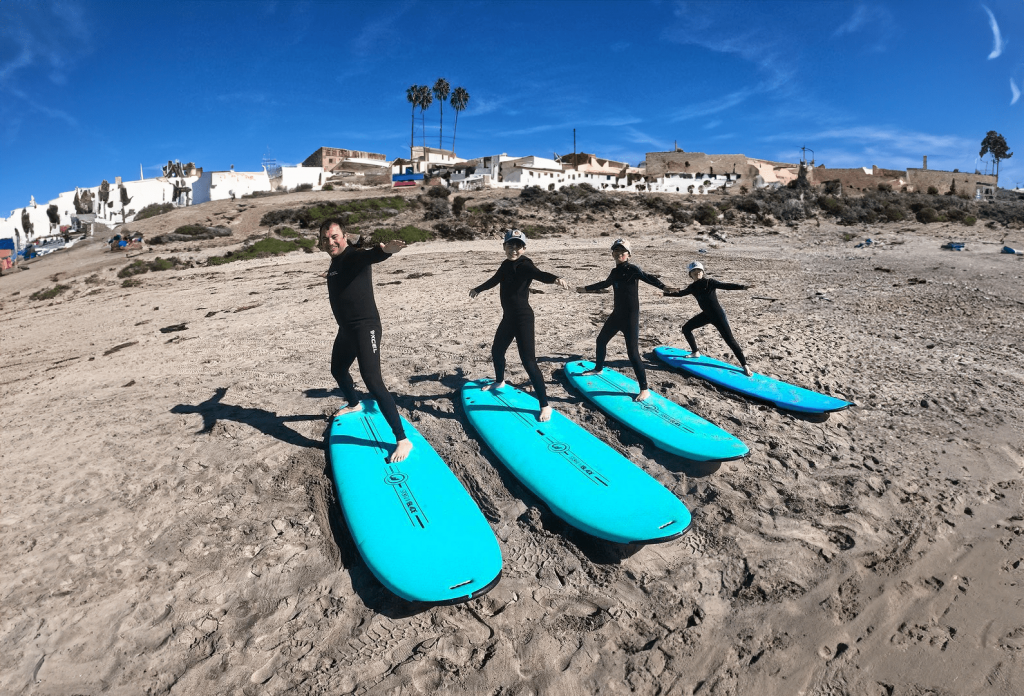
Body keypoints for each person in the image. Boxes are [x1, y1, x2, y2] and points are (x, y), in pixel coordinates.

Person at [319, 218, 413, 462]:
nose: (330, 241)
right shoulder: (336, 261)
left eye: (334, 236)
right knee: (338, 369)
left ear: (345, 236)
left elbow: (370, 256)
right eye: (326, 238)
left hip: (365, 328)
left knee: (372, 380)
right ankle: (354, 404)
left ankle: (403, 439)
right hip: (346, 329)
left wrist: (386, 251)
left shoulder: (352, 255)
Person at [470, 229, 569, 422]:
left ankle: (545, 405)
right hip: (508, 318)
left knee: (529, 361)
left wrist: (555, 278)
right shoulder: (505, 265)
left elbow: (539, 274)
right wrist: (478, 289)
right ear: (504, 246)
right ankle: (499, 382)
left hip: (523, 318)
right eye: (510, 245)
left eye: (518, 245)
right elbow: (494, 280)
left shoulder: (524, 265)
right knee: (497, 351)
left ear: (523, 248)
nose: (513, 249)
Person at [577, 238, 668, 401]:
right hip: (616, 314)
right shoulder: (614, 272)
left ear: (629, 255)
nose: (619, 254)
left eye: (622, 252)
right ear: (612, 254)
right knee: (601, 341)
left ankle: (644, 389)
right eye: (616, 251)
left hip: (630, 317)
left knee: (632, 353)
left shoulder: (632, 269)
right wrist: (585, 289)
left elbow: (648, 277)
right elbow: (604, 284)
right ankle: (598, 368)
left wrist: (663, 287)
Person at [664, 260, 753, 377]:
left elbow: (725, 286)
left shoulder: (709, 282)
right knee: (686, 328)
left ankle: (745, 365)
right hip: (706, 315)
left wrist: (742, 287)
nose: (697, 273)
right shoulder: (692, 287)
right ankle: (695, 352)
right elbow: (680, 293)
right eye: (694, 271)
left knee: (730, 340)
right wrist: (664, 293)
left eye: (699, 271)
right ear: (690, 274)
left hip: (718, 316)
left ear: (703, 272)